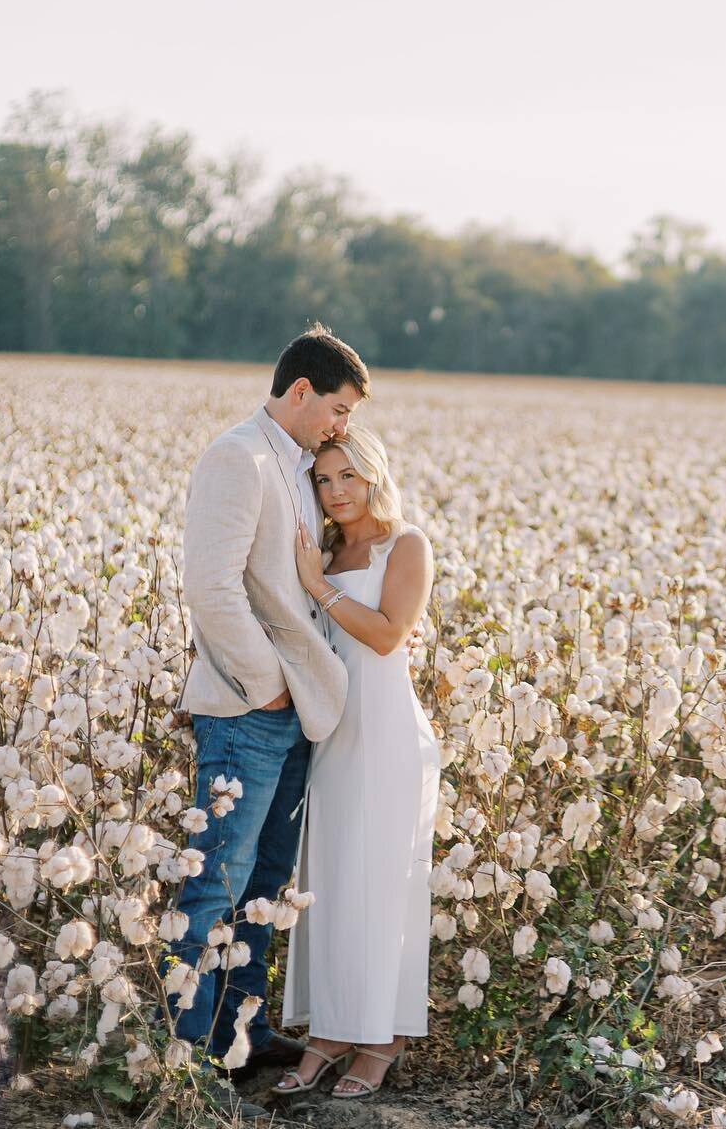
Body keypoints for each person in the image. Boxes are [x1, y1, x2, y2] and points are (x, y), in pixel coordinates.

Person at [165, 324, 369, 1119]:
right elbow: (210, 588)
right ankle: (186, 1062)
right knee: (214, 884)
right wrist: (265, 687)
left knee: (261, 885)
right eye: (339, 408)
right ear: (299, 392)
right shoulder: (237, 457)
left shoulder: (290, 464)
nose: (342, 426)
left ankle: (238, 1034)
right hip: (249, 710)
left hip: (289, 714)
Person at [271, 424, 440, 1101]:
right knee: (333, 881)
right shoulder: (327, 551)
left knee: (386, 884)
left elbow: (390, 634)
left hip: (392, 735)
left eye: (349, 476)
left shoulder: (407, 544)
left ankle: (383, 1037)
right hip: (335, 734)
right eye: (324, 479)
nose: (337, 490)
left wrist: (322, 586)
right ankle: (334, 1029)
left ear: (374, 474)